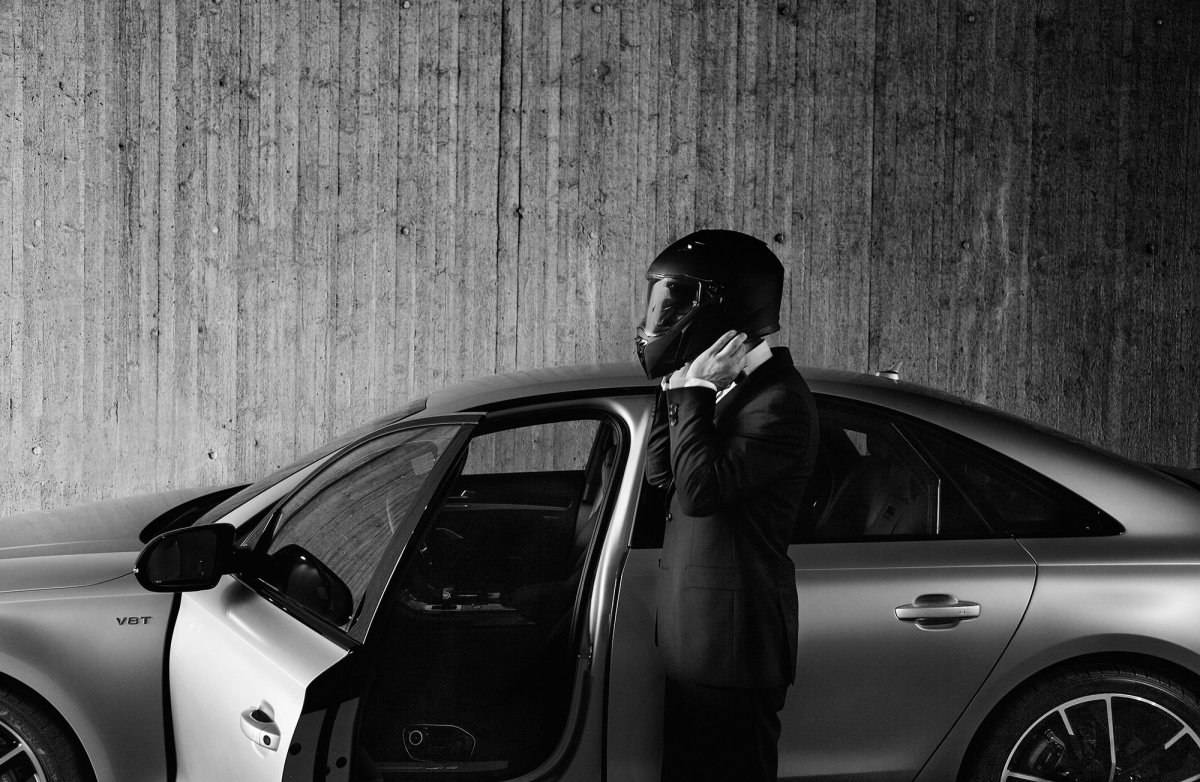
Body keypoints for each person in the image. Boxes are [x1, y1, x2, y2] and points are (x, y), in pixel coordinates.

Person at [636, 229, 819, 782]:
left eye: (678, 302)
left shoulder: (778, 402)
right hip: (699, 645)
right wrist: (676, 386)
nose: (663, 318)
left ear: (725, 309)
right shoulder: (728, 392)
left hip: (735, 652)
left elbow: (699, 493)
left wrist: (693, 394)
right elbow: (663, 476)